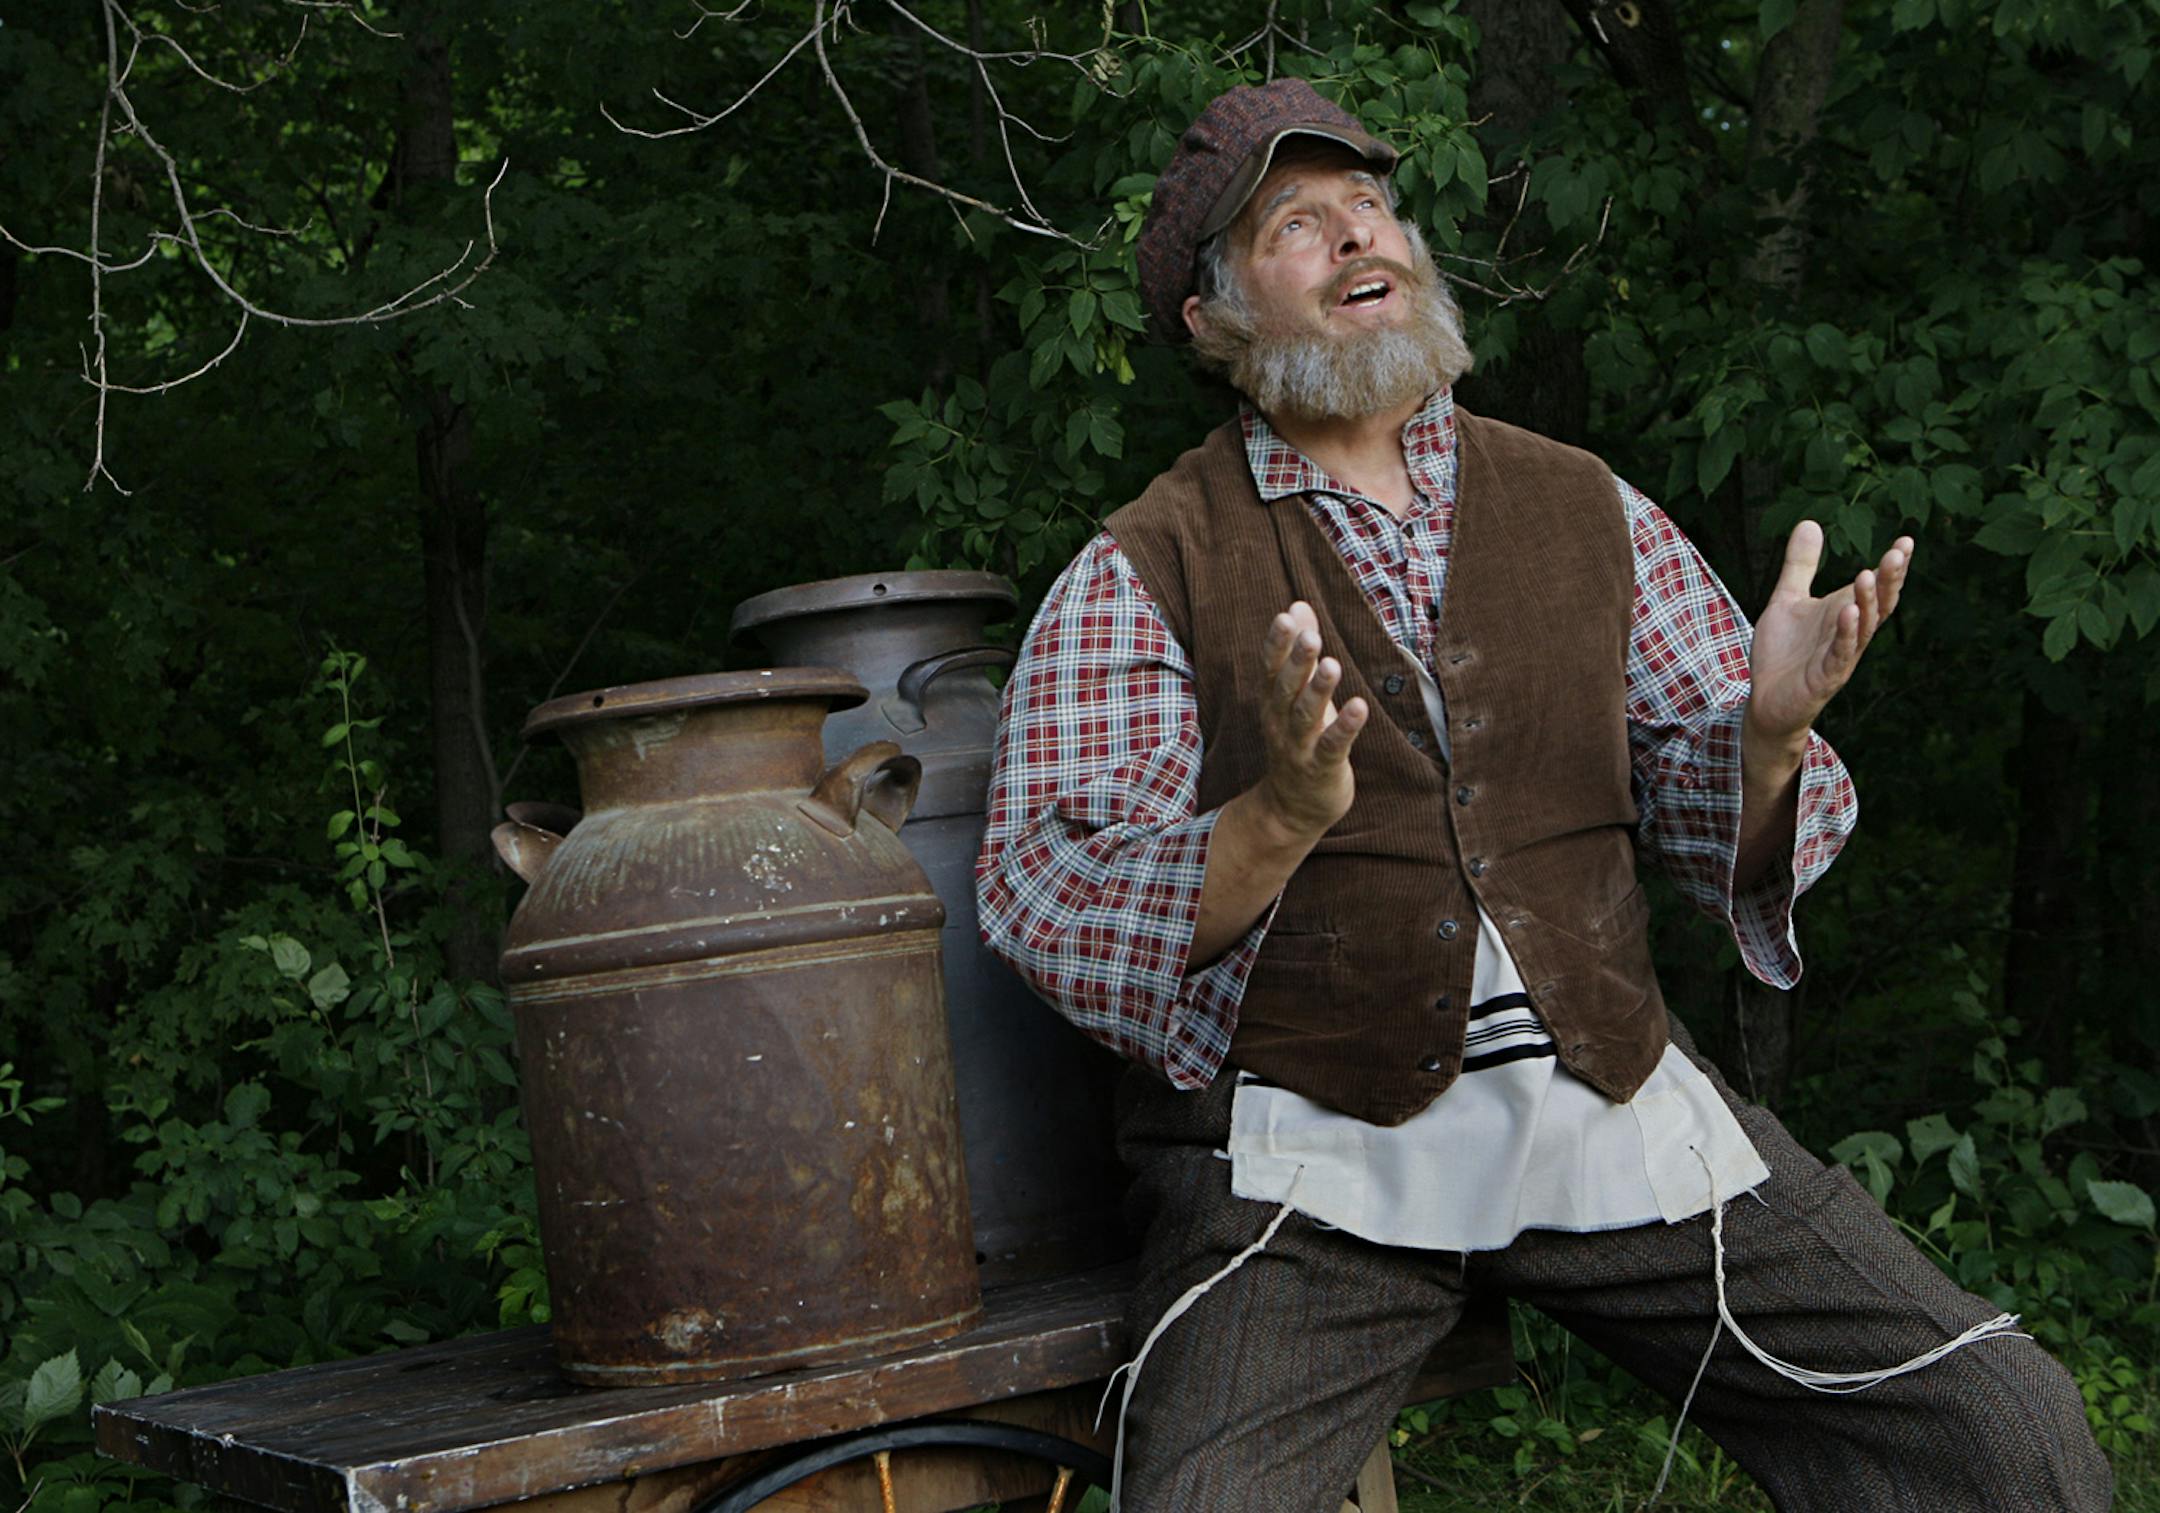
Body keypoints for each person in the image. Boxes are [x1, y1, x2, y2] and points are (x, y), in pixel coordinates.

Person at [976, 78, 2110, 1511]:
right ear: (1211, 325)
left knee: (2002, 1428)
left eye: (1369, 206)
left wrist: (1762, 740)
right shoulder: (1144, 566)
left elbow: (1721, 833)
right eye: (1294, 225)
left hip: (1613, 1104)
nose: (1353, 237)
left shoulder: (1585, 503)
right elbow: (1051, 897)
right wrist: (1276, 813)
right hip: (1318, 1163)